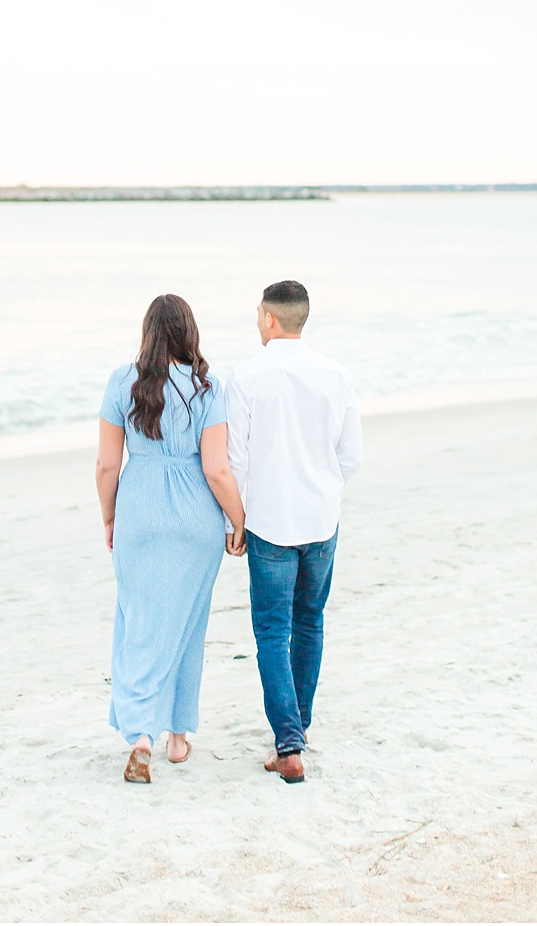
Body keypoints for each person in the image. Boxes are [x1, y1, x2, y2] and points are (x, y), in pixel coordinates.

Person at [96, 293, 247, 784]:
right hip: (194, 519)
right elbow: (217, 468)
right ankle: (179, 738)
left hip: (139, 509)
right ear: (189, 332)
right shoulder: (207, 387)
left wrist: (109, 516)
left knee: (139, 620)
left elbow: (105, 466)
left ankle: (140, 733)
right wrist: (237, 519)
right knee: (186, 622)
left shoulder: (123, 382)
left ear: (148, 333)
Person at [227, 280, 362, 784]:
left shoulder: (245, 376)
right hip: (321, 521)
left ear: (269, 318)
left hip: (269, 523)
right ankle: (296, 728)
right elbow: (351, 456)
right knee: (310, 622)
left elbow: (235, 458)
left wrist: (233, 522)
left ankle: (288, 744)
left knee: (271, 630)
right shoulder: (337, 375)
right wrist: (324, 492)